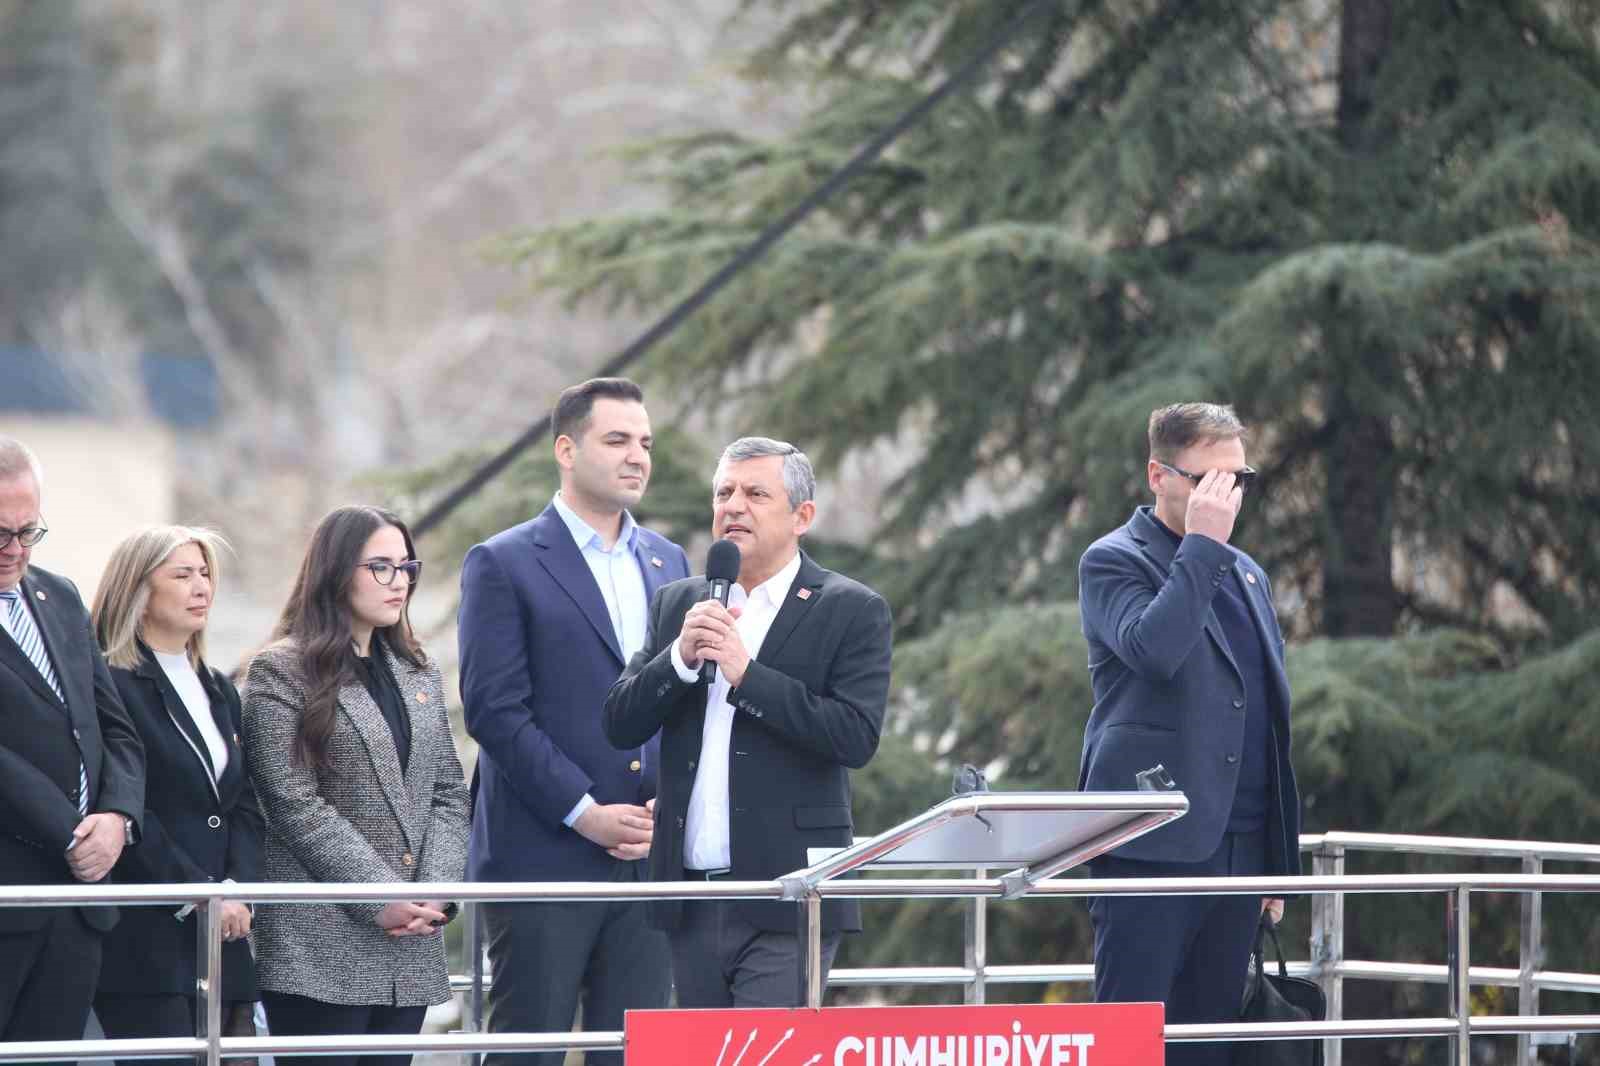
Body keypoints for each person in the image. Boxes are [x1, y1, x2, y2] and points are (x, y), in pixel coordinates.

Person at [603, 436, 893, 1008]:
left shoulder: (851, 608)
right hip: (688, 899)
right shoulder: (678, 603)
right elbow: (619, 723)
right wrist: (678, 660)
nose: (733, 506)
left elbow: (855, 736)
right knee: (702, 1051)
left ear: (802, 516)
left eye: (756, 494)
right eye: (724, 493)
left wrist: (747, 675)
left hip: (791, 898)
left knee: (764, 1049)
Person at [459, 378, 688, 1065]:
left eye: (645, 442)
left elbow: (678, 701)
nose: (637, 456)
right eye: (616, 440)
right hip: (544, 858)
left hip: (648, 860)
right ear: (566, 450)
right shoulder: (502, 561)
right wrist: (584, 813)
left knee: (634, 1054)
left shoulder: (669, 562)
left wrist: (669, 802)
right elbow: (495, 712)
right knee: (527, 1052)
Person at [1076, 403, 1301, 1066]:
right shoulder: (1113, 560)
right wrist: (1202, 545)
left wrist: (1274, 861)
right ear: (1159, 476)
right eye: (1208, 481)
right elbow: (1155, 650)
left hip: (1239, 851)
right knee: (1129, 1041)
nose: (1226, 497)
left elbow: (1265, 718)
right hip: (1151, 844)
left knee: (1211, 1042)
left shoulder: (1248, 573)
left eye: (1239, 480)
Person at [243, 506, 469, 1066]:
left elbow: (447, 793)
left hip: (410, 946)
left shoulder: (418, 670)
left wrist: (435, 893)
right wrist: (380, 895)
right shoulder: (280, 670)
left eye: (407, 567)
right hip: (319, 945)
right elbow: (293, 803)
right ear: (337, 571)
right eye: (381, 567)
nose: (400, 582)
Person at [89, 526, 264, 1066]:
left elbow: (243, 802)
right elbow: (126, 804)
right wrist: (199, 893)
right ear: (138, 592)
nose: (202, 587)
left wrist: (239, 889)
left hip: (225, 941)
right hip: (148, 943)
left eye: (206, 573)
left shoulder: (219, 687)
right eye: (183, 574)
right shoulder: (110, 683)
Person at [0, 436, 145, 1049]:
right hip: (12, 888)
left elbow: (113, 727)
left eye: (28, 531)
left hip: (80, 903)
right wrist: (72, 833)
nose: (14, 550)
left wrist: (117, 818)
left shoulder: (58, 595)